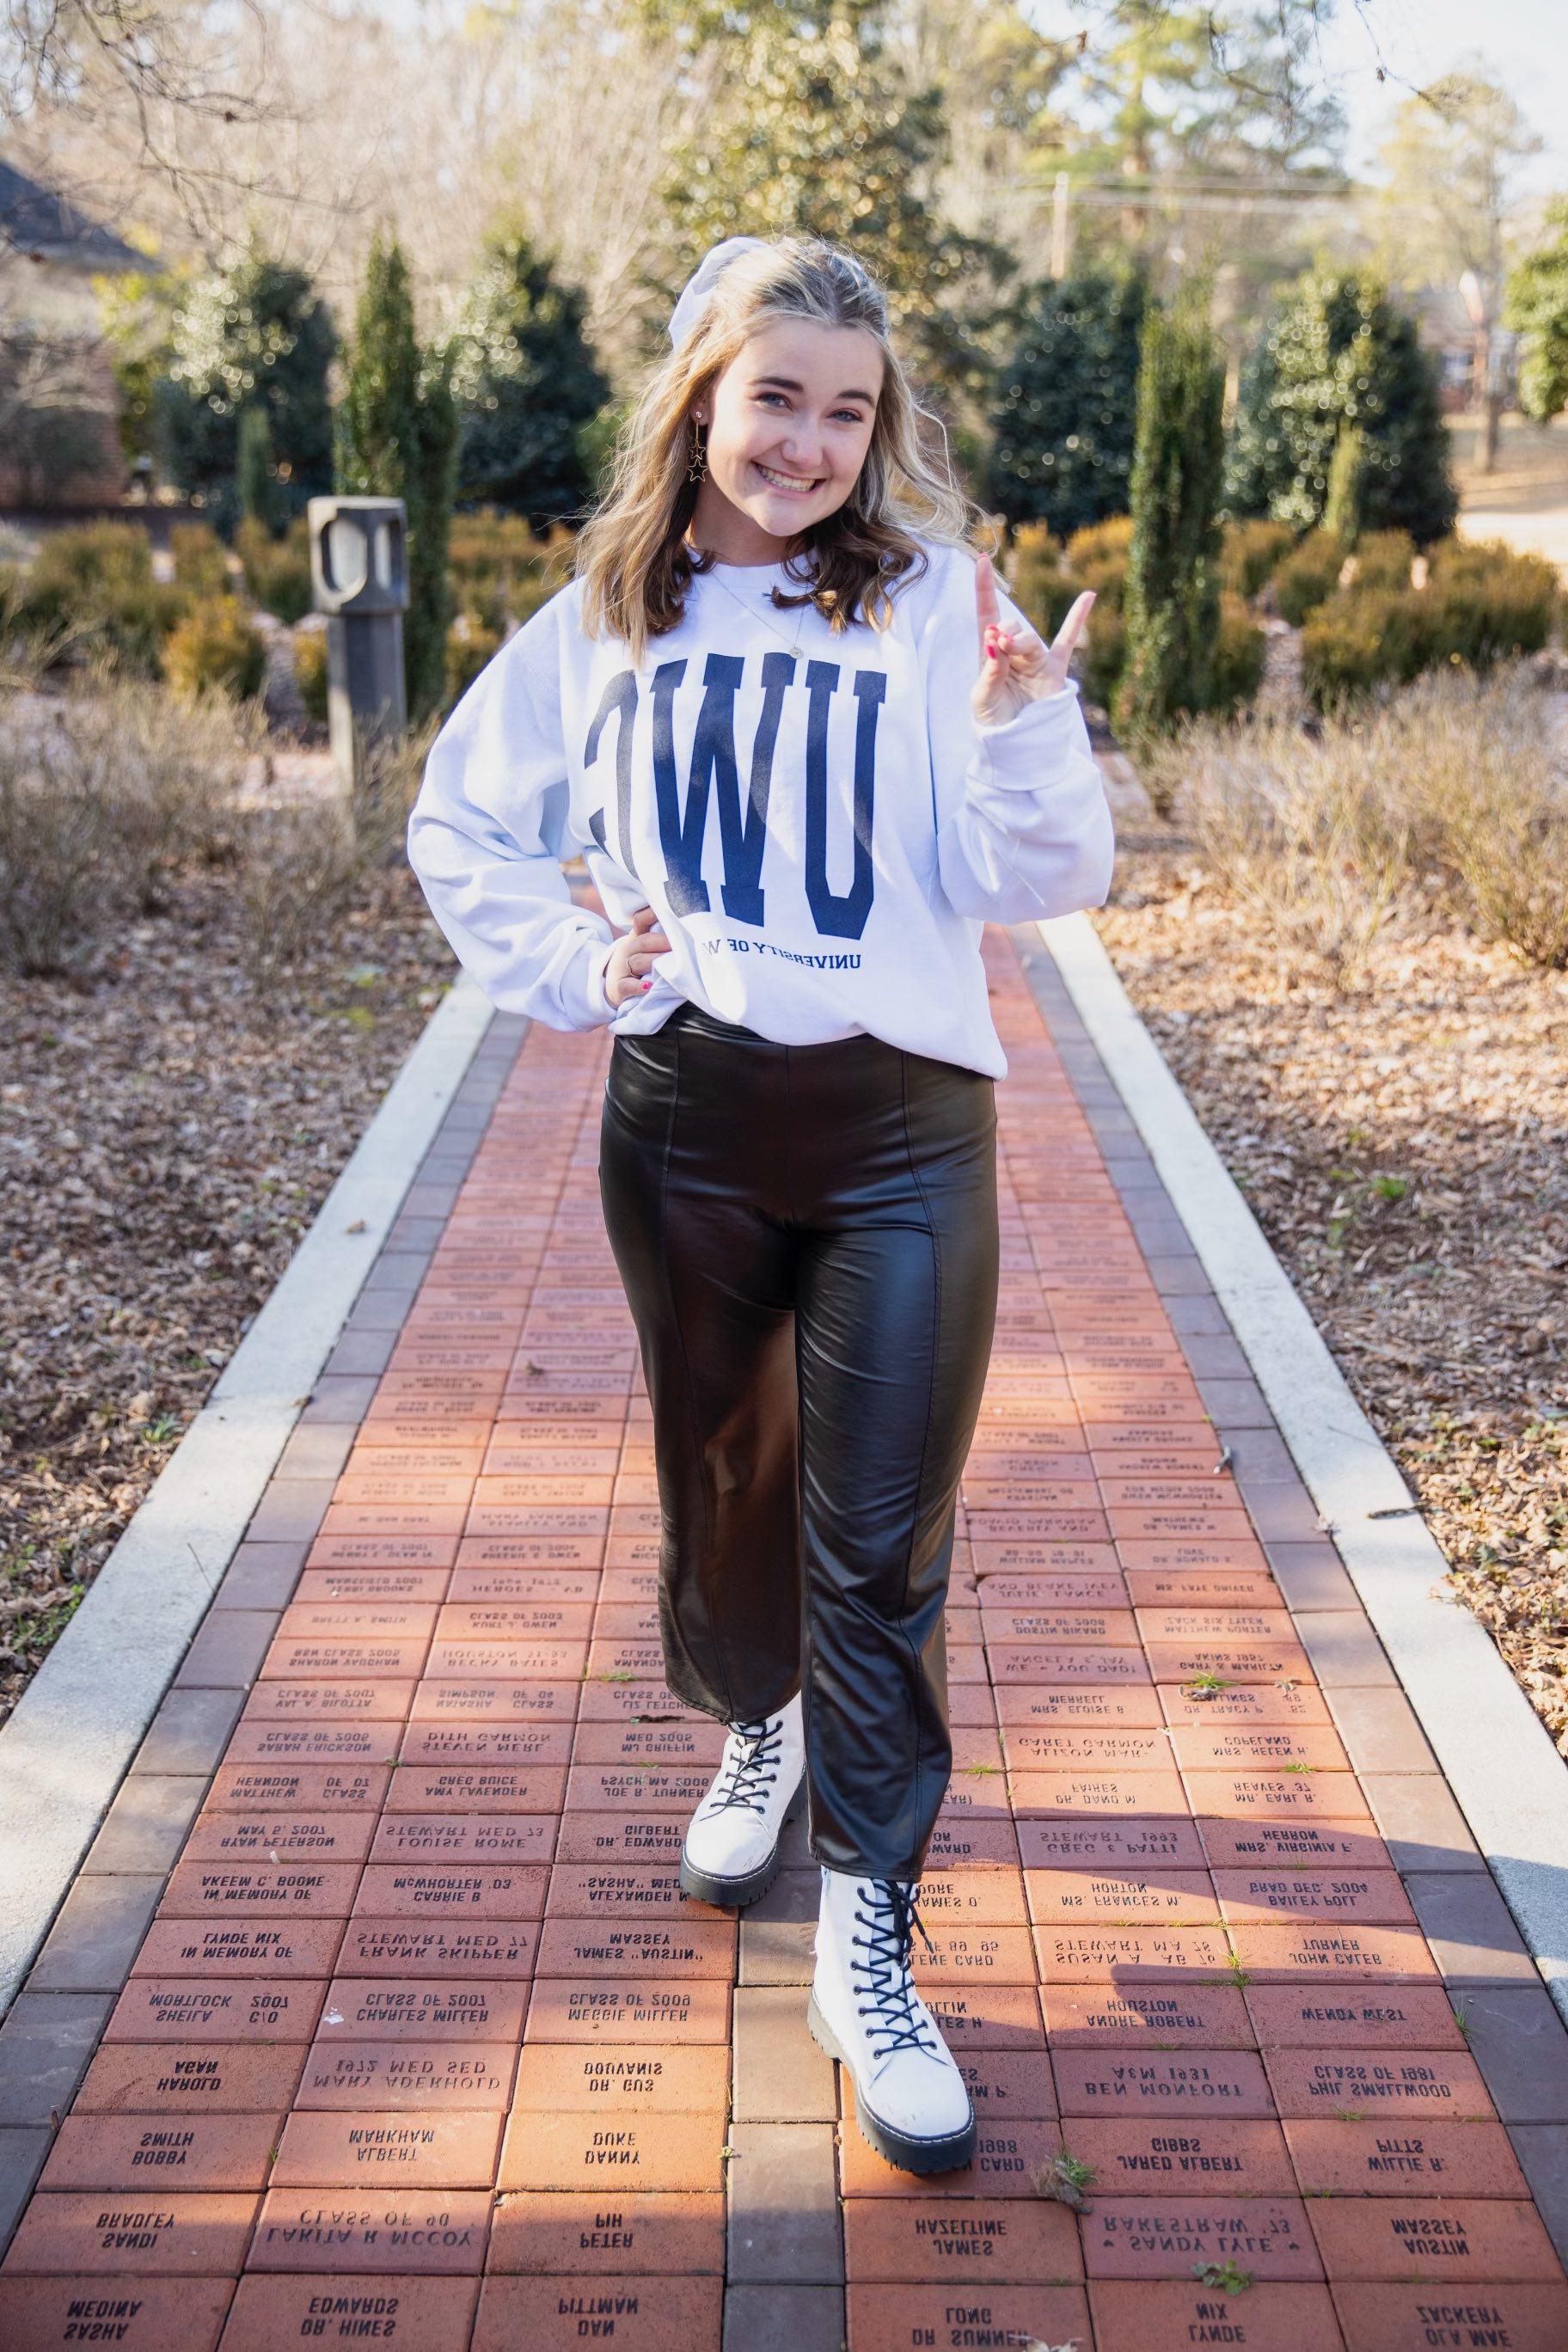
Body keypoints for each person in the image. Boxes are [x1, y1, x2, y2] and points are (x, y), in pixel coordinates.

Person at [406, 232, 1113, 2176]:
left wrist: (1024, 718)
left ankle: (872, 1931)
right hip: (690, 1135)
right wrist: (577, 962)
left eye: (847, 409)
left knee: (878, 1540)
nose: (808, 440)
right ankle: (754, 1724)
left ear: (879, 432)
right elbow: (460, 820)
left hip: (901, 1138)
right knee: (726, 1493)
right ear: (704, 396)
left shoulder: (932, 606)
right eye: (776, 396)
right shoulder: (611, 617)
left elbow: (1046, 875)